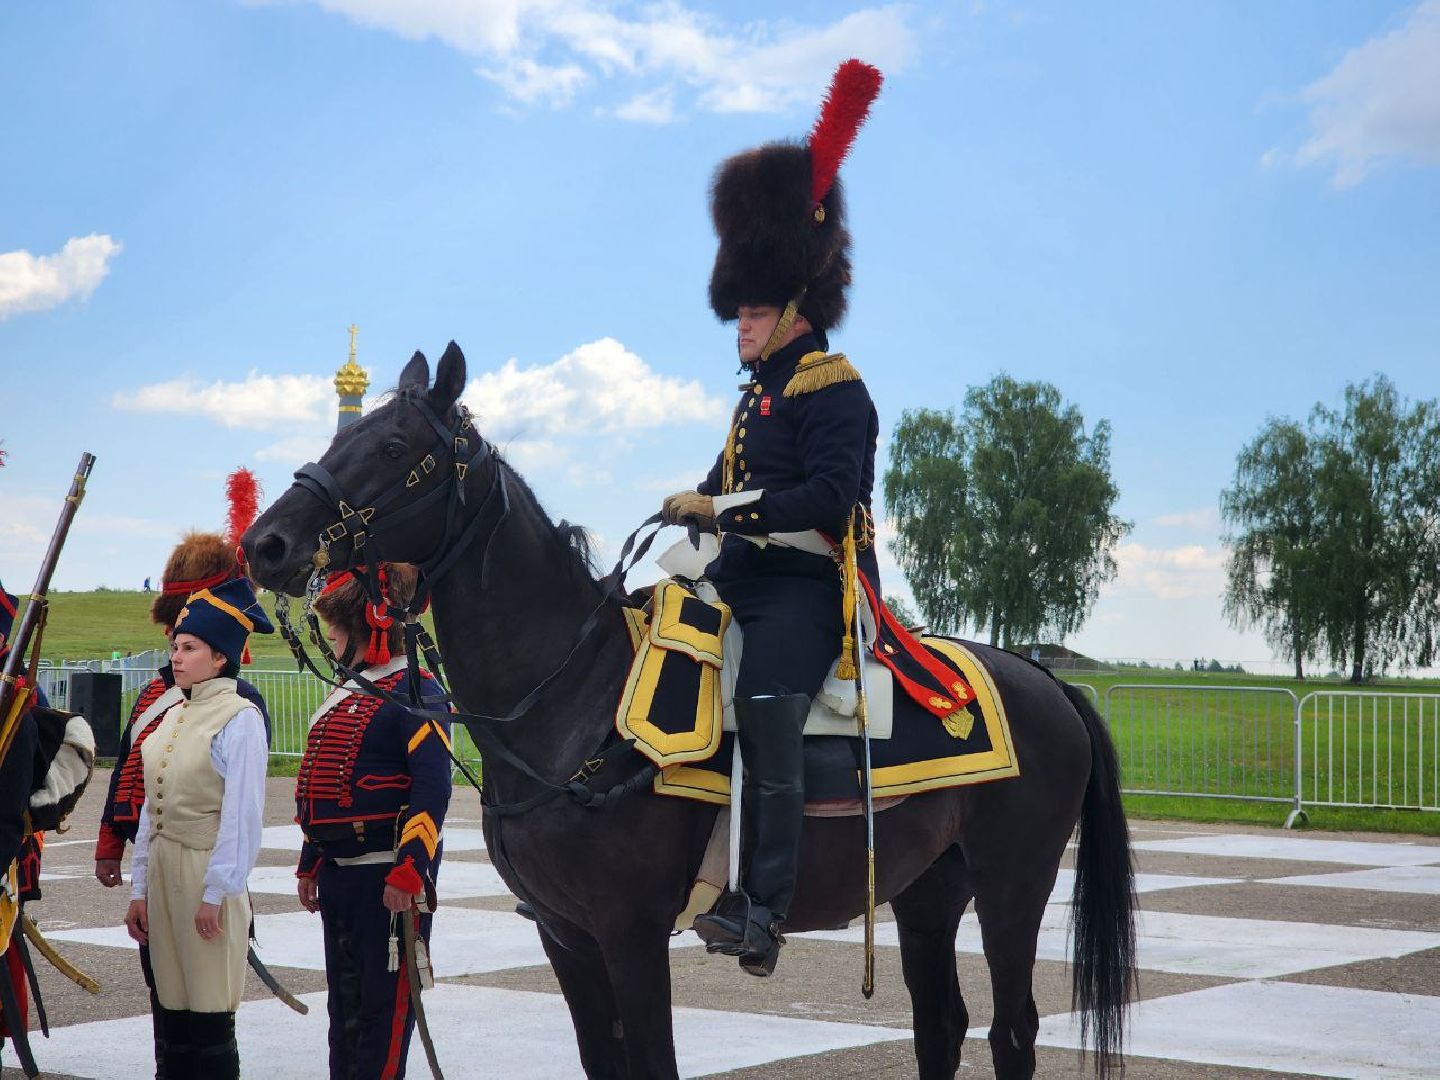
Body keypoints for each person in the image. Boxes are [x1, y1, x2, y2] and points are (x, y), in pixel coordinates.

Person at [659, 61, 888, 977]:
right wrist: (693, 510)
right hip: (740, 573)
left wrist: (726, 507)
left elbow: (832, 500)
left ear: (792, 306)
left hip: (803, 584)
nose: (740, 325)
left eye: (752, 312)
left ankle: (763, 906)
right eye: (739, 311)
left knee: (764, 706)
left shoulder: (836, 389)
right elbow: (724, 487)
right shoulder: (754, 399)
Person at [95, 532, 270, 1080]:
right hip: (164, 871)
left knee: (209, 1016)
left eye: (189, 645)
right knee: (169, 1010)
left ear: (220, 656)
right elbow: (138, 786)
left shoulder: (239, 713)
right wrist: (116, 851)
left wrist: (218, 891)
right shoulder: (161, 706)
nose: (175, 652)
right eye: (175, 643)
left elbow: (242, 816)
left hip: (204, 872)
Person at [293, 563, 450, 1080]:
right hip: (341, 877)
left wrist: (411, 868)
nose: (332, 639)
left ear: (368, 629)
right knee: (346, 1014)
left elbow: (432, 789)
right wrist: (312, 859)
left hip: (388, 879)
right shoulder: (349, 693)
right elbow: (328, 787)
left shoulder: (417, 691)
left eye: (338, 629)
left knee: (384, 1014)